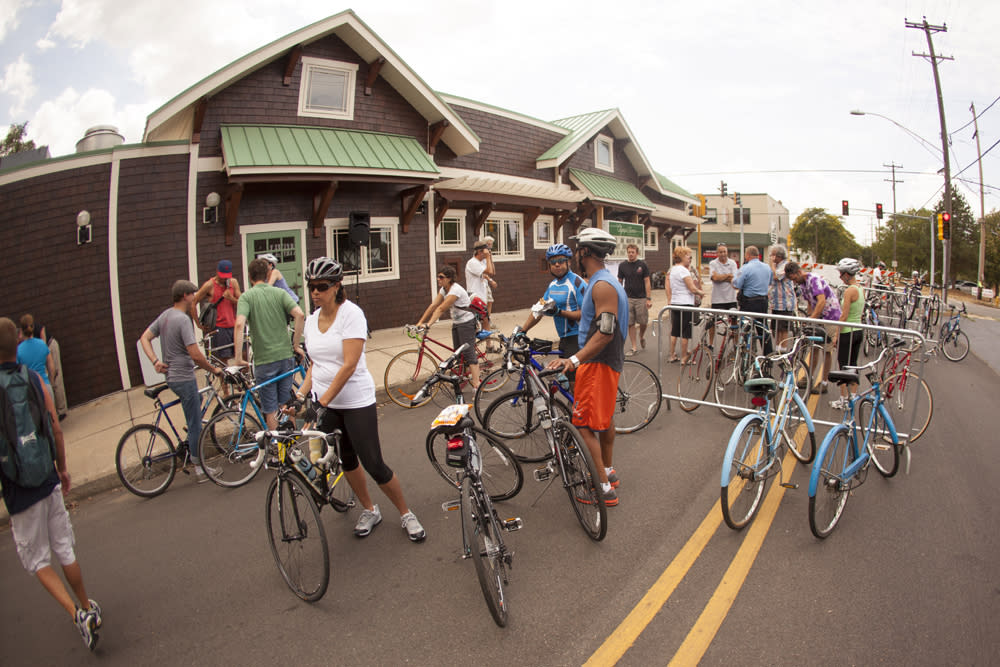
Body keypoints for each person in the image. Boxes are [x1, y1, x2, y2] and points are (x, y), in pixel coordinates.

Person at [287, 257, 425, 541]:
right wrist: (302, 394)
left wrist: (321, 402)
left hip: (355, 401)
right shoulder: (311, 321)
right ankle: (369, 509)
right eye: (311, 286)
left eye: (321, 286)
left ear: (337, 287)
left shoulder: (351, 315)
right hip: (325, 401)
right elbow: (317, 364)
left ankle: (405, 513)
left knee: (373, 462)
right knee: (347, 459)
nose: (314, 292)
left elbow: (348, 365)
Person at [0, 317, 103, 650]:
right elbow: (56, 429)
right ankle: (87, 605)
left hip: (18, 488)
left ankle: (77, 614)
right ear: (16, 343)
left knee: (38, 559)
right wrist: (62, 468)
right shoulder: (32, 379)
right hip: (46, 476)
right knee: (63, 547)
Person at [547, 227, 628, 506]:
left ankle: (603, 488)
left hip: (597, 363)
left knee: (583, 425)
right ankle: (607, 471)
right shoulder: (604, 281)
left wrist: (574, 359)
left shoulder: (602, 285)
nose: (576, 255)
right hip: (606, 362)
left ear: (585, 252)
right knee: (604, 420)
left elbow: (605, 331)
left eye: (578, 250)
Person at [141, 280, 225, 481]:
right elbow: (195, 354)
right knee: (195, 423)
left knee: (197, 406)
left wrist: (155, 361)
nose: (195, 299)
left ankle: (191, 444)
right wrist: (214, 369)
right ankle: (200, 468)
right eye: (193, 295)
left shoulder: (166, 316)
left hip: (172, 376)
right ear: (186, 296)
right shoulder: (183, 320)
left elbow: (144, 338)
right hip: (184, 377)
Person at [233, 258, 305, 430]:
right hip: (285, 357)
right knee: (286, 403)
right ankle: (291, 445)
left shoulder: (246, 297)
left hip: (264, 360)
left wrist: (237, 357)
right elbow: (299, 315)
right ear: (267, 274)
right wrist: (295, 345)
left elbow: (238, 324)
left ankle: (277, 450)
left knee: (270, 408)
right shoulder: (279, 293)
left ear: (250, 277)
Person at [517, 243, 585, 361]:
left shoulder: (577, 283)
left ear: (568, 262)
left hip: (578, 337)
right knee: (562, 376)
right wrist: (523, 330)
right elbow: (539, 309)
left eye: (560, 260)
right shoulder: (552, 285)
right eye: (553, 262)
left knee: (572, 378)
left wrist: (559, 312)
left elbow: (586, 314)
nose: (557, 264)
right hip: (563, 338)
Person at [416, 265, 481, 387]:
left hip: (467, 323)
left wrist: (429, 324)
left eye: (441, 277)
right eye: (438, 277)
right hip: (457, 323)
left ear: (449, 278)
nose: (438, 279)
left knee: (468, 353)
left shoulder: (455, 290)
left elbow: (441, 308)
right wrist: (420, 322)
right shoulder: (444, 290)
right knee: (458, 353)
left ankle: (477, 385)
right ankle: (463, 379)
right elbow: (433, 305)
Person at [784, 262, 842, 395]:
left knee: (826, 350)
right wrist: (810, 318)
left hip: (830, 316)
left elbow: (821, 301)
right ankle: (808, 376)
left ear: (799, 272)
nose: (794, 282)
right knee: (814, 347)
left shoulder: (813, 279)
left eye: (794, 278)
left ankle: (824, 382)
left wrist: (812, 318)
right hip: (819, 317)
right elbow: (810, 302)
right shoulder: (802, 284)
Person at [190, 260, 242, 364]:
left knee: (243, 354)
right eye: (222, 275)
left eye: (226, 276)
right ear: (217, 272)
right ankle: (224, 379)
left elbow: (242, 302)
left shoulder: (233, 282)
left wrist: (231, 298)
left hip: (234, 324)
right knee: (224, 359)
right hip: (219, 327)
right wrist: (197, 323)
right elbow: (193, 302)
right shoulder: (209, 285)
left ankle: (241, 378)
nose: (224, 278)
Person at [832, 258, 864, 410]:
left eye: (841, 274)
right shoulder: (859, 288)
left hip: (848, 332)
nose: (839, 277)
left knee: (844, 366)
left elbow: (843, 316)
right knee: (853, 365)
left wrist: (836, 334)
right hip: (858, 330)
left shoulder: (849, 290)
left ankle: (843, 399)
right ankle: (852, 398)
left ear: (847, 274)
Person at [665, 246, 705, 364]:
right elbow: (692, 288)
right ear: (682, 257)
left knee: (675, 331)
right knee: (685, 332)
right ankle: (684, 357)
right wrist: (700, 292)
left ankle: (672, 355)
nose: (690, 258)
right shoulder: (684, 270)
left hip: (675, 303)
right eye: (688, 256)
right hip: (686, 303)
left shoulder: (673, 270)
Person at [733, 245, 774, 355]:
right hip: (763, 302)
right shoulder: (767, 267)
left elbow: (736, 284)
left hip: (749, 303)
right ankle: (768, 356)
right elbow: (770, 282)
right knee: (763, 329)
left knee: (745, 329)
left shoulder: (745, 268)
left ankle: (746, 355)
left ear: (748, 255)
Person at [617, 243, 652, 355]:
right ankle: (634, 347)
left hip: (641, 298)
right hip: (628, 298)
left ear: (637, 253)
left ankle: (641, 336)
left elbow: (647, 281)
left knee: (643, 321)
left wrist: (648, 298)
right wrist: (619, 296)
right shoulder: (622, 266)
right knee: (630, 323)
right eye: (629, 252)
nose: (630, 254)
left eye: (633, 252)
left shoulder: (643, 265)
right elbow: (619, 281)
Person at [708, 243, 739, 347]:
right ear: (717, 253)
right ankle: (711, 344)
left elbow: (734, 279)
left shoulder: (733, 263)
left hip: (731, 298)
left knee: (734, 322)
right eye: (720, 252)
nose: (723, 254)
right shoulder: (713, 263)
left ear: (727, 252)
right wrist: (728, 276)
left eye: (724, 251)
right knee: (712, 322)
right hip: (717, 299)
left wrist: (721, 277)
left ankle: (735, 344)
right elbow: (715, 278)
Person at [768, 244, 797, 350]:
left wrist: (771, 264)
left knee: (783, 329)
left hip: (785, 303)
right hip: (776, 303)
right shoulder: (777, 266)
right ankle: (777, 348)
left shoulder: (785, 266)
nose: (771, 257)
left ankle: (783, 349)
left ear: (778, 256)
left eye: (772, 255)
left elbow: (776, 276)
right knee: (776, 328)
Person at [16, 314, 55, 390]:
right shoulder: (42, 344)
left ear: (21, 330)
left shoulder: (18, 350)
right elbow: (51, 367)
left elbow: (18, 374)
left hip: (32, 391)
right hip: (46, 386)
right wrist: (51, 383)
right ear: (33, 327)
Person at [465, 240, 496, 331]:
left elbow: (492, 272)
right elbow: (489, 271)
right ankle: (486, 344)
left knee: (484, 321)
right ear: (479, 252)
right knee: (481, 322)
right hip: (475, 296)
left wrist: (489, 257)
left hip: (482, 296)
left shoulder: (482, 262)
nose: (487, 253)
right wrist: (487, 257)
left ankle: (488, 343)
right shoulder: (472, 262)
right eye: (485, 251)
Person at [481, 235, 499, 324]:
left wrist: (490, 258)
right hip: (482, 282)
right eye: (488, 244)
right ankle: (485, 320)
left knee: (490, 300)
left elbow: (493, 271)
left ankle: (488, 319)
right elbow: (483, 272)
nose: (490, 246)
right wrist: (491, 280)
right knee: (486, 301)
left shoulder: (488, 256)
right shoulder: (482, 256)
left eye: (491, 244)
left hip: (485, 281)